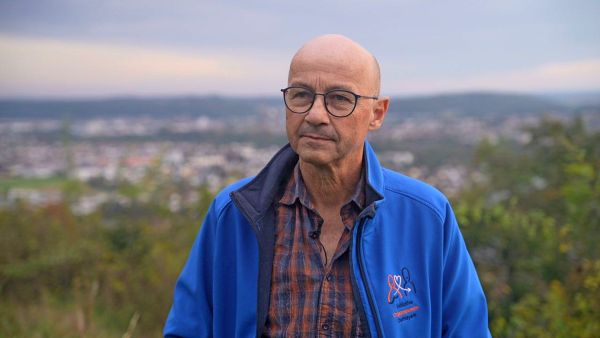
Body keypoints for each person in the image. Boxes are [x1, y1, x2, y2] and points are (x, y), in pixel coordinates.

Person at [163, 34, 491, 337]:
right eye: (301, 95)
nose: (316, 114)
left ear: (377, 113)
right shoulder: (235, 214)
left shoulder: (426, 217)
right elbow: (188, 329)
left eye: (339, 99)